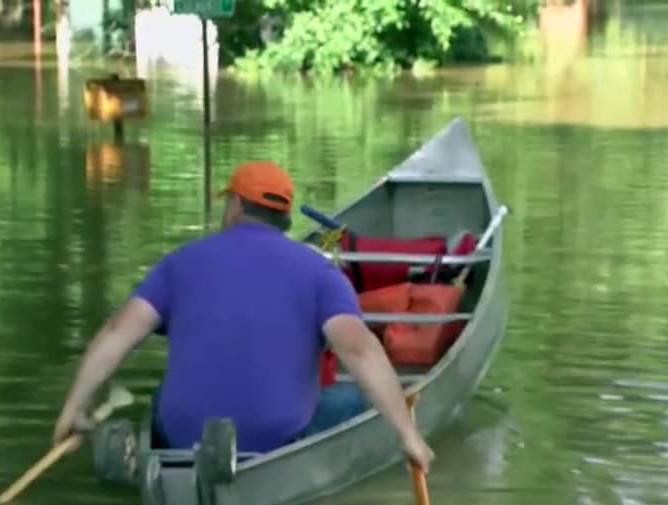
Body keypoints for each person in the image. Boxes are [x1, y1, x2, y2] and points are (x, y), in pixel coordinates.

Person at [52, 160, 434, 472]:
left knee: (163, 397)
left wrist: (73, 410)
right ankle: (256, 462)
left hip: (182, 438)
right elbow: (361, 351)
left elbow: (118, 331)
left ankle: (156, 461)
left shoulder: (179, 264)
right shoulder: (321, 273)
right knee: (355, 398)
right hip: (276, 442)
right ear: (284, 216)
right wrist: (408, 435)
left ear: (234, 205)